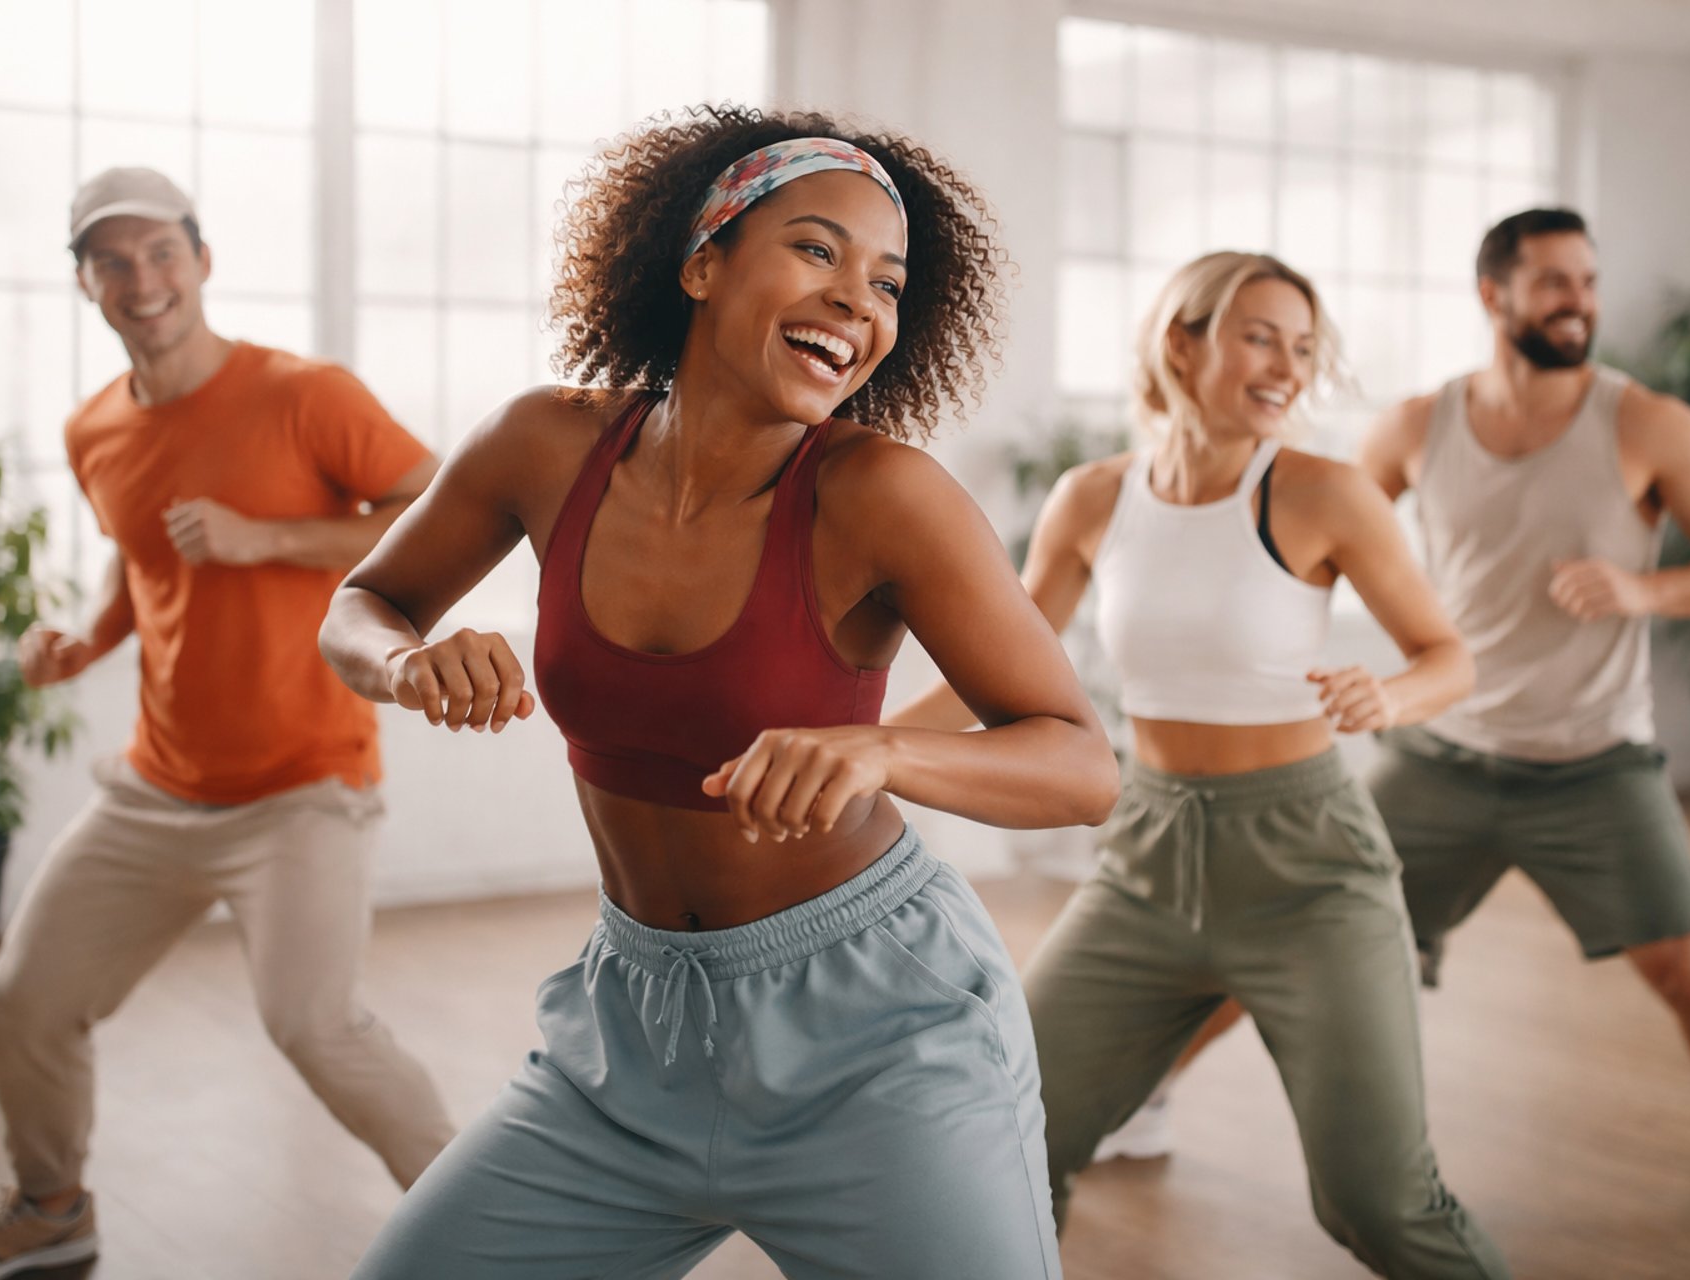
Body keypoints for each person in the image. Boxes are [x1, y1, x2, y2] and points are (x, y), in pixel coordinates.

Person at [320, 106, 1118, 1280]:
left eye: (889, 283)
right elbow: (361, 603)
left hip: (878, 1037)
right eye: (816, 248)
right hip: (631, 1034)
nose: (859, 300)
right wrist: (403, 659)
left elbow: (1080, 763)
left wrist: (887, 755)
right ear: (702, 261)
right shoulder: (544, 444)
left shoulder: (883, 494)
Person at [891, 250, 1510, 1278]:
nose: (1286, 365)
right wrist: (861, 745)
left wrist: (1387, 696)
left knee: (1377, 1202)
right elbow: (992, 666)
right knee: (1007, 1137)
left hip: (1309, 867)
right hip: (1147, 857)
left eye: (1303, 347)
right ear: (1185, 339)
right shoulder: (1094, 498)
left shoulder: (1324, 492)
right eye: (1260, 335)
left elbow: (1449, 658)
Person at [0, 167, 451, 1280]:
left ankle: (500, 1230)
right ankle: (53, 1206)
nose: (143, 278)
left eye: (162, 251)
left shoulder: (304, 393)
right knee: (23, 1002)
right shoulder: (95, 431)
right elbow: (146, 566)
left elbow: (438, 509)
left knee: (318, 1028)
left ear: (203, 260)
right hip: (158, 788)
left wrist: (268, 537)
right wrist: (84, 640)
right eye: (113, 259)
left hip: (305, 785)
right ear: (85, 281)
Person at [1357, 207, 1690, 1261]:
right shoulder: (1411, 427)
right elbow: (1323, 538)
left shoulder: (1648, 424)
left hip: (1594, 763)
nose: (1580, 301)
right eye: (1555, 282)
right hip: (1439, 754)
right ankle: (1151, 1092)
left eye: (1588, 281)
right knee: (1306, 927)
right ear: (1495, 295)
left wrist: (1644, 586)